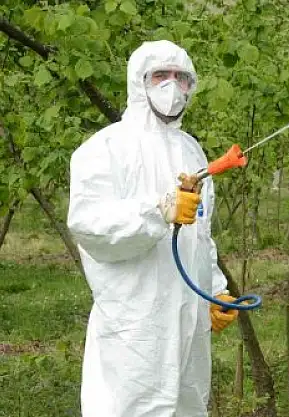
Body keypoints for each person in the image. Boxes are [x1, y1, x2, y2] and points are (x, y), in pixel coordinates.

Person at [66, 40, 241, 416]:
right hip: (135, 326)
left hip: (189, 326)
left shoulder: (191, 151)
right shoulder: (105, 149)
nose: (172, 86)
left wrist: (214, 291)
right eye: (160, 75)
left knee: (188, 406)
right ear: (138, 81)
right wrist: (157, 212)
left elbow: (200, 235)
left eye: (181, 77)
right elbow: (90, 227)